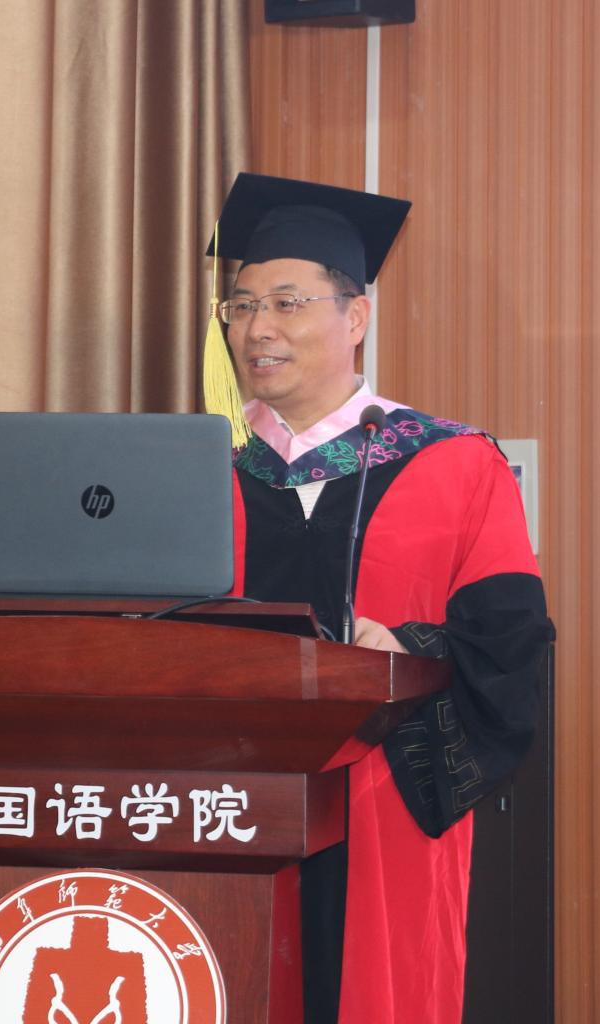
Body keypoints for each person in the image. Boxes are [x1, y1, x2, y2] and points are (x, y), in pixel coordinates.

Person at [206, 173, 554, 1023]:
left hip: (386, 796)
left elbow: (510, 645)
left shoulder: (455, 463)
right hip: (226, 800)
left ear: (355, 317)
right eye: (241, 306)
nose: (257, 328)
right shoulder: (201, 470)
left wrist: (412, 649)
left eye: (286, 303)